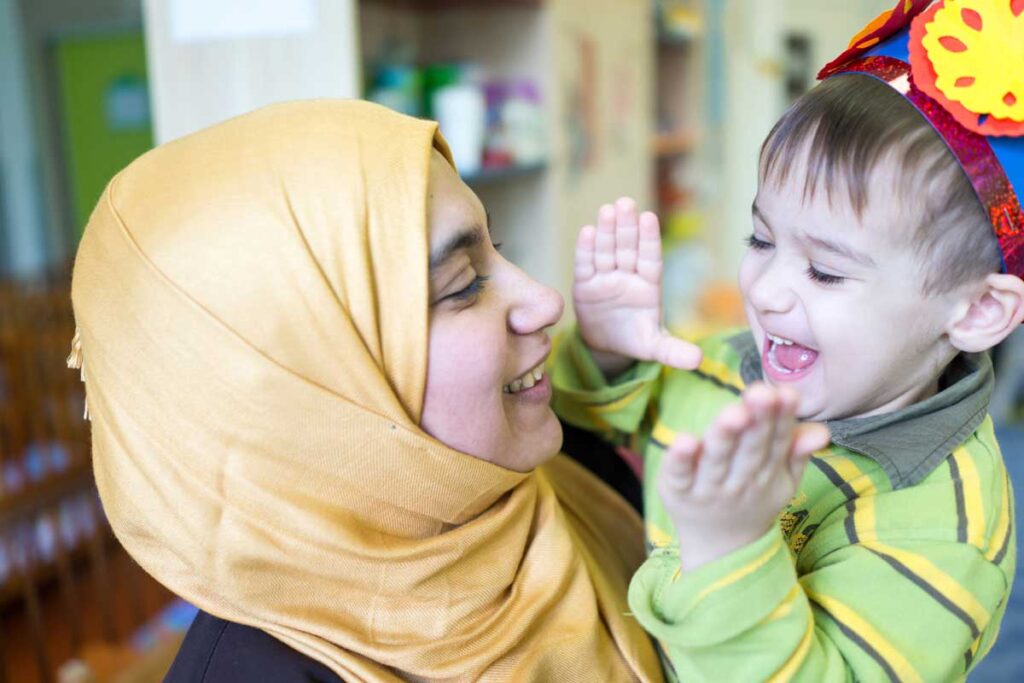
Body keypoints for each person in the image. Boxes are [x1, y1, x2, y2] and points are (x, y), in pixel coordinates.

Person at [67, 99, 664, 682]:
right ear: (306, 391)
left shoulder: (561, 468)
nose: (545, 301)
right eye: (462, 285)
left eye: (498, 251)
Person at [552, 0, 1023, 679]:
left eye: (826, 271)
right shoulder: (733, 365)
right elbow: (597, 428)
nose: (767, 290)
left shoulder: (943, 529)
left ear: (977, 310)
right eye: (760, 239)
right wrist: (609, 353)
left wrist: (730, 547)